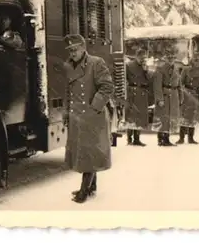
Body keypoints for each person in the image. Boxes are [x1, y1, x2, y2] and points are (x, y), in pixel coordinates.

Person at [62, 34, 114, 204]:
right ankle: (92, 187)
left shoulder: (96, 63)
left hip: (93, 117)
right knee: (85, 153)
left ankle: (84, 191)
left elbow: (107, 86)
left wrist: (94, 107)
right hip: (77, 116)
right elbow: (68, 92)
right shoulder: (69, 66)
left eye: (75, 49)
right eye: (70, 50)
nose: (72, 53)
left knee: (89, 153)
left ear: (84, 48)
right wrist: (66, 112)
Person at [152, 47, 183, 147]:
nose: (171, 59)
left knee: (170, 118)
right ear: (165, 58)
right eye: (169, 57)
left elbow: (179, 85)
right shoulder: (160, 69)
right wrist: (159, 99)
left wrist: (181, 97)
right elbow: (157, 86)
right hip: (164, 96)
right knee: (163, 118)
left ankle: (167, 138)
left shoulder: (176, 69)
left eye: (173, 57)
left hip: (174, 96)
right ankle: (161, 139)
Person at [178, 52, 199, 144]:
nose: (198, 62)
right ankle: (181, 138)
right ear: (192, 60)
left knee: (193, 117)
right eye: (196, 60)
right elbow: (180, 84)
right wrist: (182, 95)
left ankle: (191, 138)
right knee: (183, 117)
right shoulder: (186, 70)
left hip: (197, 96)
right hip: (186, 95)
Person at [124, 49, 151, 146]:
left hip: (142, 93)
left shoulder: (145, 67)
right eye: (141, 57)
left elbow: (149, 81)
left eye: (144, 58)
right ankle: (129, 139)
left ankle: (137, 139)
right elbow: (124, 79)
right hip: (132, 92)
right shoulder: (129, 65)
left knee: (140, 116)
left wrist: (145, 71)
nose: (143, 59)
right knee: (131, 115)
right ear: (137, 56)